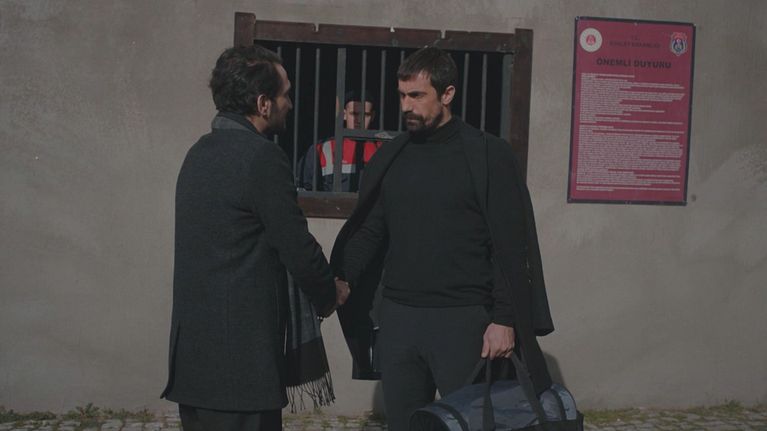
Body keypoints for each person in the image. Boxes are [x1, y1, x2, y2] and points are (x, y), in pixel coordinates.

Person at [330, 47, 555, 431]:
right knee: (404, 424)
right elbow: (370, 230)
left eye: (417, 95)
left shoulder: (487, 155)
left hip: (464, 320)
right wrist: (343, 278)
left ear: (447, 93)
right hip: (400, 320)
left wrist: (504, 319)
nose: (406, 106)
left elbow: (508, 244)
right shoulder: (392, 156)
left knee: (471, 424)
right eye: (402, 95)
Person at [161, 45, 350, 431]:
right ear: (263, 104)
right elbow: (295, 244)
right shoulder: (261, 158)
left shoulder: (198, 153)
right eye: (285, 94)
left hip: (195, 362)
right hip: (240, 368)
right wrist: (330, 292)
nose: (290, 104)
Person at [297, 90, 383, 192]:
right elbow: (305, 192)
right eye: (354, 114)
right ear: (344, 114)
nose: (359, 120)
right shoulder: (322, 149)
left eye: (365, 115)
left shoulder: (381, 149)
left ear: (373, 116)